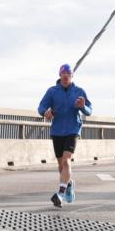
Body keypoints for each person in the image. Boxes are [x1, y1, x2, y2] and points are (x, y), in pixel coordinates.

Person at [37, 64, 92, 207]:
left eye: (68, 73)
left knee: (67, 161)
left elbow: (89, 110)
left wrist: (83, 107)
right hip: (57, 131)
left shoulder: (79, 91)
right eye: (63, 73)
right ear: (60, 75)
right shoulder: (52, 91)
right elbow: (41, 107)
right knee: (61, 166)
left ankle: (60, 194)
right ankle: (68, 184)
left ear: (72, 75)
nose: (66, 75)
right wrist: (45, 113)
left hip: (73, 129)